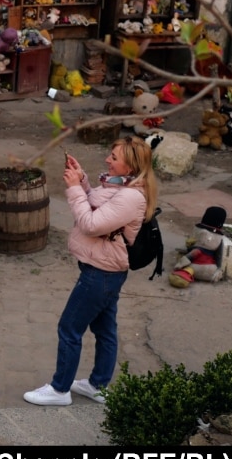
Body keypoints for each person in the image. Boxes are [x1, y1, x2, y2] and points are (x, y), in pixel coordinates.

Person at [24, 136, 158, 406]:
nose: (108, 159)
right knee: (104, 328)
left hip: (101, 274)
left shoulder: (131, 196)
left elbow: (91, 224)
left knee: (69, 328)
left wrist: (74, 189)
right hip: (104, 271)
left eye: (114, 157)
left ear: (130, 166)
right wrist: (83, 180)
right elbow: (97, 202)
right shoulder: (121, 186)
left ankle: (59, 390)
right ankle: (98, 385)